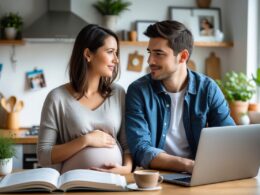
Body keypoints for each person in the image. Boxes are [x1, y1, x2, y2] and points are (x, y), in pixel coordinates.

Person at [125, 20, 235, 174]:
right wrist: (189, 165)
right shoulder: (138, 91)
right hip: (157, 176)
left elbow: (229, 138)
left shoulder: (208, 89)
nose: (150, 61)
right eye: (150, 52)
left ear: (183, 56)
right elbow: (141, 149)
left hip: (199, 175)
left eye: (159, 54)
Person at [37, 24, 132, 174]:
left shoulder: (118, 93)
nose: (116, 60)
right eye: (110, 52)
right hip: (73, 187)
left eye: (117, 53)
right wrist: (85, 140)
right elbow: (43, 155)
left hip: (113, 184)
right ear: (88, 54)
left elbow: (127, 146)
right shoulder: (57, 98)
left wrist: (126, 169)